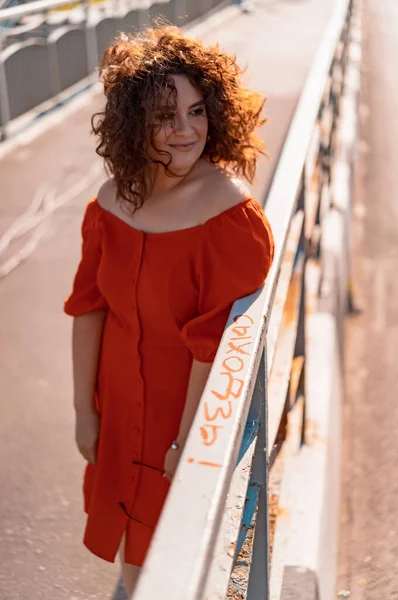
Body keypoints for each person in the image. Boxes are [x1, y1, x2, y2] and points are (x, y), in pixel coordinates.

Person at [64, 25, 274, 597]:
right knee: (134, 552)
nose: (187, 131)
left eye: (197, 111)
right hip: (119, 406)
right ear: (135, 125)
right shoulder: (111, 202)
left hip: (177, 419)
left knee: (161, 567)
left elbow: (213, 344)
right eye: (165, 116)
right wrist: (84, 410)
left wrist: (187, 446)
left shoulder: (231, 217)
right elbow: (89, 309)